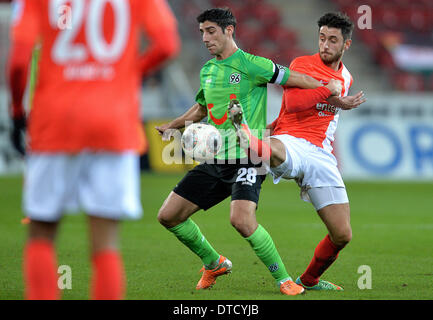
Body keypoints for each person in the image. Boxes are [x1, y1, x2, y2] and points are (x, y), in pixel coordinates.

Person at [156, 7, 342, 296]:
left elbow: (293, 78)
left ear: (229, 30)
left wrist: (326, 85)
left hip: (249, 157)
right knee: (168, 216)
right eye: (202, 32)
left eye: (211, 31)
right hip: (215, 159)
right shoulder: (208, 70)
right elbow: (203, 108)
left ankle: (284, 280)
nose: (205, 38)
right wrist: (175, 125)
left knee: (241, 220)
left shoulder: (253, 64)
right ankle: (213, 262)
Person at [8, 0, 180, 300]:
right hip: (113, 123)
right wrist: (127, 74)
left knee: (42, 233)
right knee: (105, 241)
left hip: (55, 122)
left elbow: (19, 62)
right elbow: (167, 45)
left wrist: (16, 111)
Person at [229, 12, 366, 291]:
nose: (325, 45)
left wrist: (341, 102)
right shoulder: (302, 64)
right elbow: (292, 103)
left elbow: (325, 106)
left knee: (342, 234)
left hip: (322, 155)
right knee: (274, 150)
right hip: (290, 139)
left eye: (332, 40)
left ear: (346, 45)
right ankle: (246, 135)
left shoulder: (346, 77)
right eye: (322, 38)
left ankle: (310, 280)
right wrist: (329, 91)